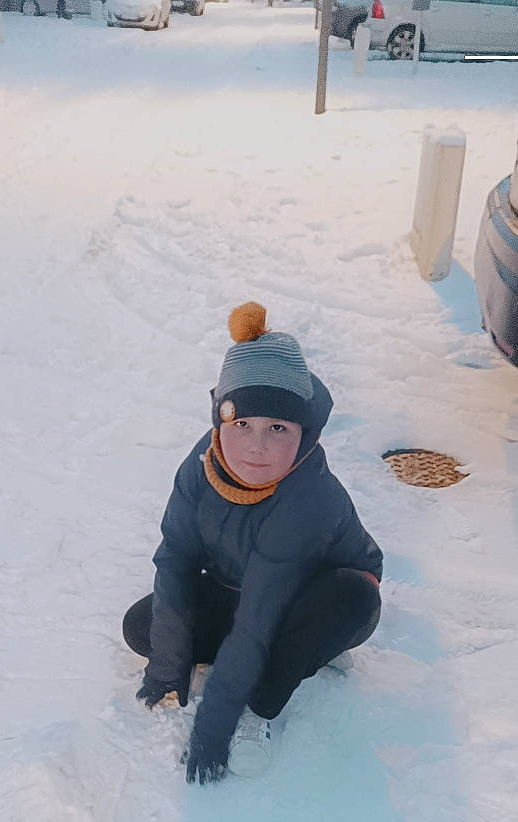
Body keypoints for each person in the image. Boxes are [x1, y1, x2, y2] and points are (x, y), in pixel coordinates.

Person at [122, 301, 383, 786]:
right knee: (143, 626)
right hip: (239, 586)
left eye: (278, 428)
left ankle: (265, 696)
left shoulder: (308, 497)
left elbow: (266, 606)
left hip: (320, 596)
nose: (257, 446)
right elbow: (176, 558)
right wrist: (167, 666)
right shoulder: (201, 466)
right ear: (220, 422)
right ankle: (282, 654)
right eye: (242, 424)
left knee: (350, 598)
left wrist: (216, 723)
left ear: (304, 432)